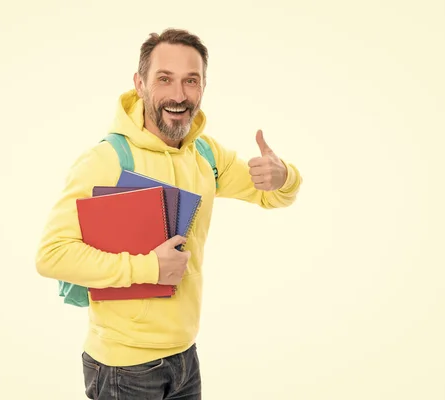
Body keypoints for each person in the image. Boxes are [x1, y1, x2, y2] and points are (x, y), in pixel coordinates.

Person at [35, 28, 303, 400]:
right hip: (123, 367)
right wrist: (148, 268)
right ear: (140, 84)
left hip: (184, 357)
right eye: (165, 79)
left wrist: (283, 176)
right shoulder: (105, 160)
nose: (179, 95)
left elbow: (272, 197)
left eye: (191, 81)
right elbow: (52, 255)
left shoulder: (204, 154)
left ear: (203, 86)